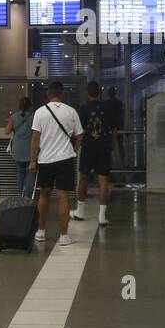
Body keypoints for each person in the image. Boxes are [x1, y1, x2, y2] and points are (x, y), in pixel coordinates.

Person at [28, 80, 83, 246]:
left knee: (44, 195)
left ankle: (41, 232)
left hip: (45, 159)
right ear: (62, 93)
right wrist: (72, 149)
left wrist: (32, 160)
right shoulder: (71, 112)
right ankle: (64, 236)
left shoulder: (40, 112)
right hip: (65, 159)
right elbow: (80, 136)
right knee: (63, 197)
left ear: (48, 94)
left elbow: (35, 139)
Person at [71, 81, 114, 226]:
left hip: (88, 147)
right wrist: (111, 146)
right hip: (104, 147)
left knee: (83, 178)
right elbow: (114, 130)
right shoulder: (108, 108)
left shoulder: (82, 110)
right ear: (99, 92)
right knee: (103, 181)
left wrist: (75, 149)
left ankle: (80, 211)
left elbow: (79, 133)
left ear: (87, 93)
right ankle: (102, 216)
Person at [3, 96, 34, 197]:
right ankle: (28, 196)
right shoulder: (34, 116)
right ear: (30, 106)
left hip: (18, 148)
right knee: (30, 172)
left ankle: (21, 194)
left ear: (19, 105)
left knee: (20, 172)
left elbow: (6, 132)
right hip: (30, 148)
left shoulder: (14, 117)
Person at [106, 86, 126, 165]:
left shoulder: (107, 103)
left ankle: (111, 161)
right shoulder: (119, 102)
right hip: (118, 126)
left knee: (111, 144)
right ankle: (123, 160)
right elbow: (121, 114)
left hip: (110, 126)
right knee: (120, 144)